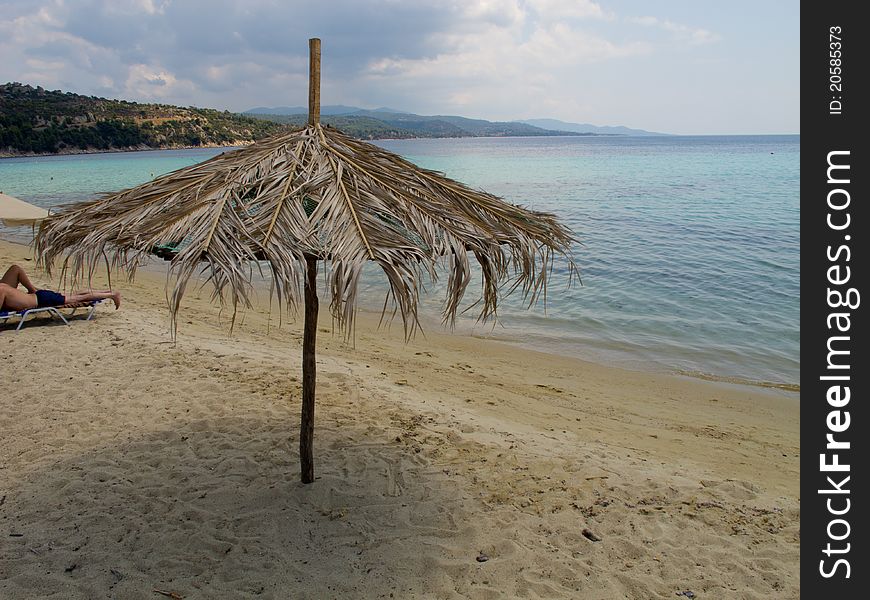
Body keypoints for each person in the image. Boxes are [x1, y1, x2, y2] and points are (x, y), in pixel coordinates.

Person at [0, 264, 121, 312]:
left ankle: (111, 294)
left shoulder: (2, 290)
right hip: (40, 296)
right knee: (75, 294)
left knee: (78, 298)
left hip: (43, 300)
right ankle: (107, 292)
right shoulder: (3, 287)